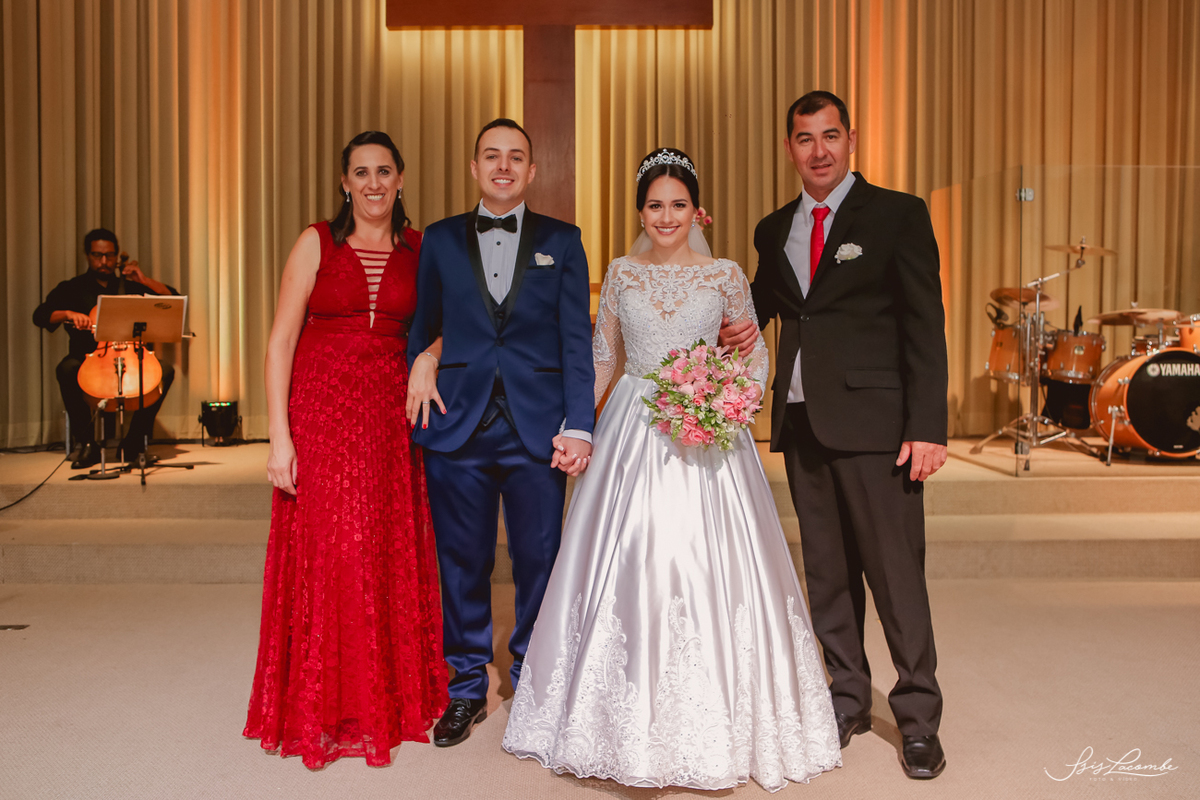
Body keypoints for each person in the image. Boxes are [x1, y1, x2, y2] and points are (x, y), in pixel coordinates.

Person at [502, 148, 842, 792]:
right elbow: (603, 358)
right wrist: (577, 423)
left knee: (706, 561)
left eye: (677, 205)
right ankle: (612, 720)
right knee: (630, 555)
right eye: (655, 205)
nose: (666, 216)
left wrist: (732, 399)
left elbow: (753, 353)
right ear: (640, 212)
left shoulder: (725, 275)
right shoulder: (621, 274)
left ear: (696, 211)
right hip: (633, 425)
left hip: (707, 432)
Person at [719, 91, 950, 779]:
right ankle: (847, 697)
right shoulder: (773, 228)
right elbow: (763, 302)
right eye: (804, 138)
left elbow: (925, 325)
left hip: (879, 428)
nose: (818, 150)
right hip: (802, 425)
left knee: (895, 575)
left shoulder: (899, 214)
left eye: (830, 136)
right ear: (789, 148)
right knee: (827, 576)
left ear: (851, 139)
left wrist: (927, 427)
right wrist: (698, 264)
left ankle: (918, 718)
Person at [244, 131, 448, 769]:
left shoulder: (422, 249)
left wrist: (430, 355)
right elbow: (280, 341)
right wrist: (279, 437)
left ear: (401, 179)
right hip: (322, 413)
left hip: (389, 418)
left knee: (382, 547)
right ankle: (324, 706)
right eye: (361, 172)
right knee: (332, 551)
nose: (373, 183)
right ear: (344, 183)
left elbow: (451, 326)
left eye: (384, 171)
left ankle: (379, 697)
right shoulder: (316, 242)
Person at [407, 119, 595, 747]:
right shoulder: (438, 240)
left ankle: (531, 682)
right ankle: (465, 687)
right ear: (474, 167)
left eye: (516, 157)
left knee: (539, 559)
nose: (504, 166)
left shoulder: (563, 241)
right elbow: (422, 325)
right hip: (456, 423)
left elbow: (576, 342)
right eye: (492, 155)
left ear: (532, 171)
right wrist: (422, 361)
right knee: (463, 561)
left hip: (536, 427)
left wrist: (579, 424)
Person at [33, 228, 178, 468]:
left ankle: (133, 442)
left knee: (165, 371)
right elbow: (40, 315)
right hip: (87, 357)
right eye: (97, 255)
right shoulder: (72, 287)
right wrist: (67, 313)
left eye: (110, 256)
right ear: (87, 255)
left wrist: (143, 281)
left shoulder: (130, 286)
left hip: (131, 357)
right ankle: (87, 444)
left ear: (116, 256)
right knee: (66, 369)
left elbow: (172, 299)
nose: (104, 261)